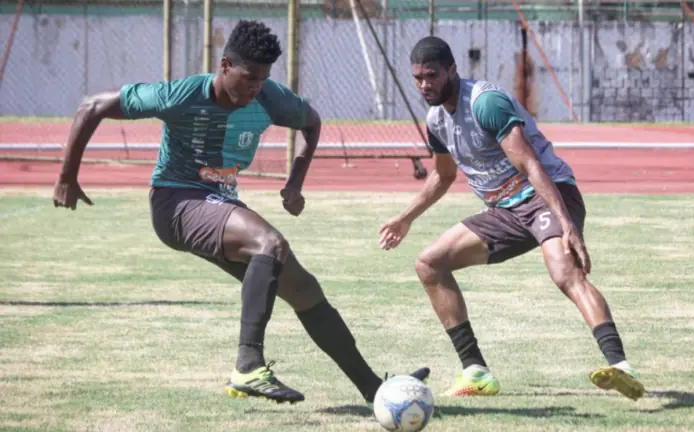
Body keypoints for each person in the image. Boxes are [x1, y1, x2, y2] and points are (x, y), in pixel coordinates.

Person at [52, 19, 428, 405]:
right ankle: (248, 365)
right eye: (249, 77)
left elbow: (312, 124)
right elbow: (91, 105)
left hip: (220, 204)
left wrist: (295, 182)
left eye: (263, 79)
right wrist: (67, 177)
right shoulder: (181, 94)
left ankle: (373, 388)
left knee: (303, 289)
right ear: (226, 64)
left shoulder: (268, 98)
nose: (255, 88)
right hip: (175, 203)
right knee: (270, 243)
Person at [378, 36, 645, 401]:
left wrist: (566, 223)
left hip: (547, 195)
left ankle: (620, 366)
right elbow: (442, 176)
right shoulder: (436, 119)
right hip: (504, 211)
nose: (425, 85)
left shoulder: (485, 102)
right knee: (429, 264)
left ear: (453, 70)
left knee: (564, 272)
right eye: (418, 78)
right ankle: (476, 372)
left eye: (432, 75)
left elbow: (529, 163)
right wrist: (404, 218)